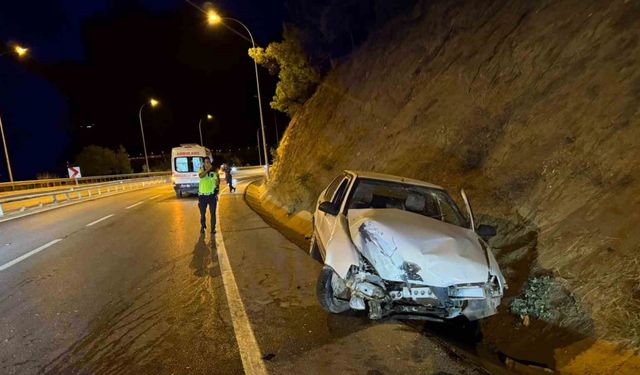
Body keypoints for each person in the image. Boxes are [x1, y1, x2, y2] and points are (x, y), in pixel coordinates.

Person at [198, 157, 219, 234]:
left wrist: (217, 181)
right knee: (202, 214)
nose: (208, 163)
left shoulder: (213, 173)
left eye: (209, 162)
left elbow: (216, 183)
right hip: (202, 196)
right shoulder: (201, 170)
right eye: (206, 162)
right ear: (203, 163)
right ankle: (203, 226)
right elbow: (201, 176)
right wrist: (207, 170)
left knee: (213, 213)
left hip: (212, 196)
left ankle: (213, 229)